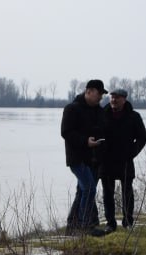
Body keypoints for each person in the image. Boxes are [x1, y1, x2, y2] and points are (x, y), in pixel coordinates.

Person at [61, 79, 108, 234]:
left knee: (82, 191)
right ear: (88, 91)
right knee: (89, 189)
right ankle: (85, 226)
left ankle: (72, 225)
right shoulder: (72, 109)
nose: (100, 97)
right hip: (77, 158)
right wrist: (85, 141)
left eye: (102, 94)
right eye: (99, 94)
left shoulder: (99, 111)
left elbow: (102, 129)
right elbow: (66, 132)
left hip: (94, 158)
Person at [98, 88, 146, 232]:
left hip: (125, 160)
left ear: (124, 99)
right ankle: (110, 223)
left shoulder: (134, 116)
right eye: (112, 97)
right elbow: (95, 134)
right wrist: (100, 152)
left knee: (127, 192)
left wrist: (132, 152)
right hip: (106, 160)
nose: (114, 100)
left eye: (117, 98)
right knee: (107, 193)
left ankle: (128, 221)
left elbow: (142, 137)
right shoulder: (102, 115)